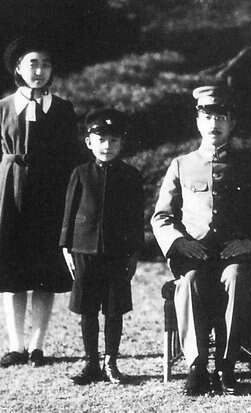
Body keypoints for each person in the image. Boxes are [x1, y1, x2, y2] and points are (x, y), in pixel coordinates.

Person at [151, 82, 251, 396]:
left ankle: (226, 367)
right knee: (189, 282)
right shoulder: (181, 165)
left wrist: (249, 243)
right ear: (198, 121)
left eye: (221, 117)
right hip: (195, 254)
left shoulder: (249, 166)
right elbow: (162, 216)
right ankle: (197, 366)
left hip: (234, 254)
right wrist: (180, 242)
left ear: (232, 122)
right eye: (207, 117)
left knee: (237, 278)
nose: (214, 124)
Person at [0, 36, 79, 367]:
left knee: (45, 270)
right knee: (12, 270)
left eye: (46, 64)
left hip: (49, 195)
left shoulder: (62, 109)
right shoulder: (4, 107)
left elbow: (72, 156)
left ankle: (37, 345)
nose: (39, 71)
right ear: (18, 68)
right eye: (33, 63)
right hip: (10, 193)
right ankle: (15, 345)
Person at [59, 109, 143, 384]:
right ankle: (91, 363)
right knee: (87, 308)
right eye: (101, 140)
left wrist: (134, 253)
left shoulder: (131, 175)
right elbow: (69, 211)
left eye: (114, 140)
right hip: (84, 250)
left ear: (122, 143)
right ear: (89, 142)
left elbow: (136, 218)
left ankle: (111, 362)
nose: (107, 146)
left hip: (117, 253)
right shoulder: (80, 173)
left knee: (114, 309)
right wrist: (66, 246)